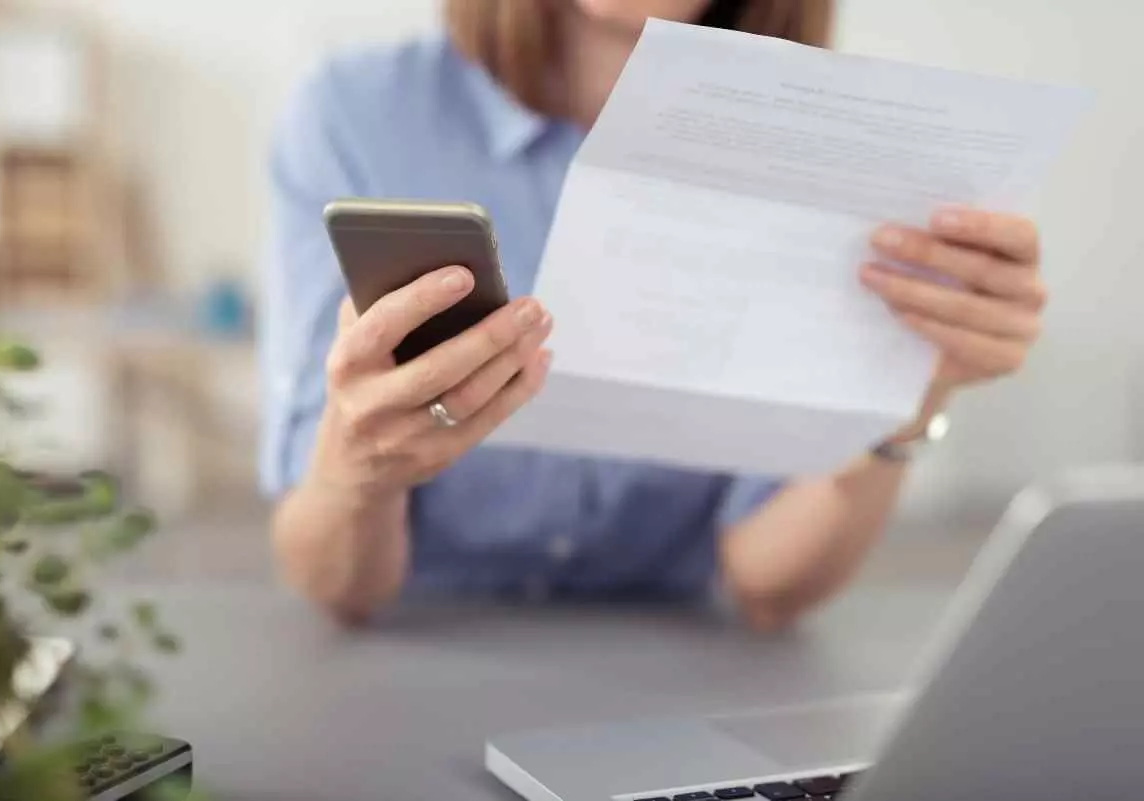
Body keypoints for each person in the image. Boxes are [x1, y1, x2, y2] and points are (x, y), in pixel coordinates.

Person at [260, 0, 1048, 630]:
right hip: (413, 651)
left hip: (683, 666)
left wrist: (911, 387)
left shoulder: (824, 149)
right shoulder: (352, 118)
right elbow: (332, 582)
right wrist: (354, 470)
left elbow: (768, 582)